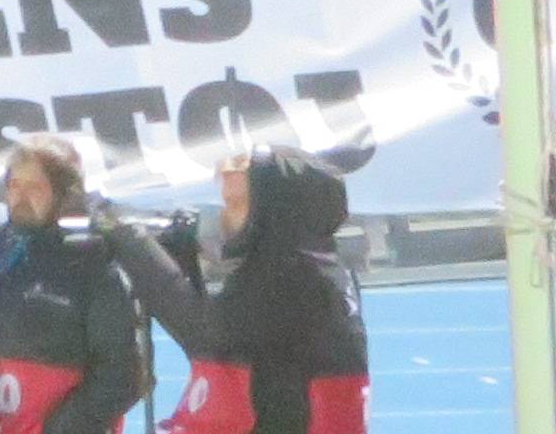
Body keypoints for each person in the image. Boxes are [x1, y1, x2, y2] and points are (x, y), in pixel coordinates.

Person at [102, 143, 366, 434]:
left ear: (274, 210)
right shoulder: (316, 265)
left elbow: (205, 335)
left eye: (236, 206)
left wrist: (131, 239)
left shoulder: (291, 276)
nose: (226, 218)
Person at [0, 133, 146, 434]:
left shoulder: (91, 267)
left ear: (64, 195)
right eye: (14, 186)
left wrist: (57, 429)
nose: (21, 197)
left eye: (35, 187)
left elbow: (123, 377)